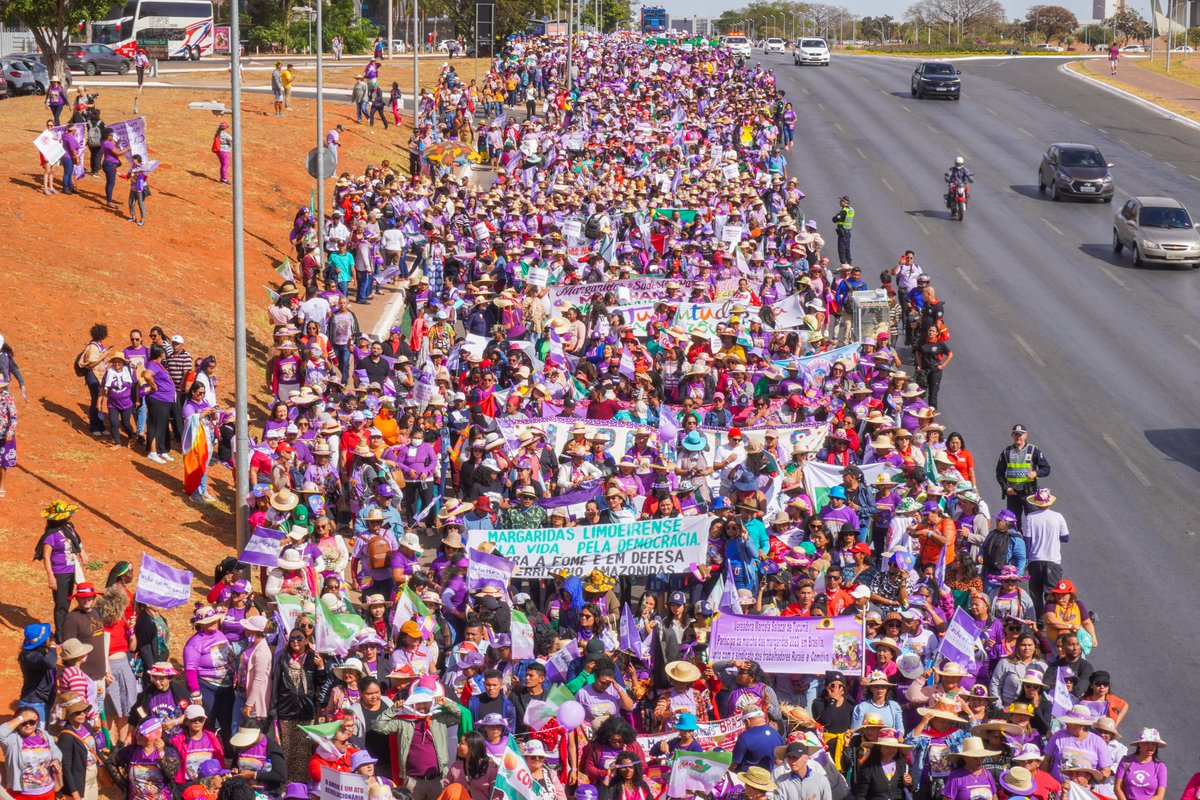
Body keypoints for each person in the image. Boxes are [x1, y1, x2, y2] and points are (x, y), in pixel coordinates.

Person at [0, 707, 64, 800]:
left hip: (48, 792)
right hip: (22, 795)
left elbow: (55, 750)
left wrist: (56, 759)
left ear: (37, 721)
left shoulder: (43, 734)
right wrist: (20, 718)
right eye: (24, 722)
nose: (28, 725)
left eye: (32, 722)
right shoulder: (11, 740)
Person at [994, 424, 1050, 525]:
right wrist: (1006, 488)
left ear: (1026, 435)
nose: (1018, 437)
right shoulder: (1006, 452)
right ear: (1012, 436)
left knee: (1033, 522)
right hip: (1013, 494)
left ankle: (1031, 541)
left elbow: (1046, 469)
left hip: (1029, 493)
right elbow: (999, 474)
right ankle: (1017, 540)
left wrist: (1036, 473)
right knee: (1012, 523)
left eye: (1021, 434)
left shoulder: (1033, 450)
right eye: (1016, 434)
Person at [100, 129, 130, 209]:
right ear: (108, 136)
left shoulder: (105, 142)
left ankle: (109, 200)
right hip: (110, 165)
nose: (112, 136)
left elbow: (114, 148)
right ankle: (109, 202)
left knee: (110, 183)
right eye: (111, 135)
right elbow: (118, 153)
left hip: (109, 164)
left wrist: (118, 142)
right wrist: (127, 149)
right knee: (110, 183)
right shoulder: (108, 143)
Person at [125, 153, 150, 226]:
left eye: (133, 159)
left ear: (137, 160)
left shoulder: (143, 168)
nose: (132, 160)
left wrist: (138, 174)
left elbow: (145, 178)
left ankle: (142, 220)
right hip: (133, 187)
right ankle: (133, 217)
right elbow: (128, 176)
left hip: (140, 188)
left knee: (141, 204)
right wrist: (120, 174)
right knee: (131, 202)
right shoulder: (133, 167)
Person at [832, 195, 854, 265]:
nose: (840, 202)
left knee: (841, 249)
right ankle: (849, 263)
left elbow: (835, 219)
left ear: (845, 202)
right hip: (848, 233)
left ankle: (844, 264)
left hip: (842, 233)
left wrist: (836, 217)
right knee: (847, 249)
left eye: (841, 201)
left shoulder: (843, 211)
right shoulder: (851, 210)